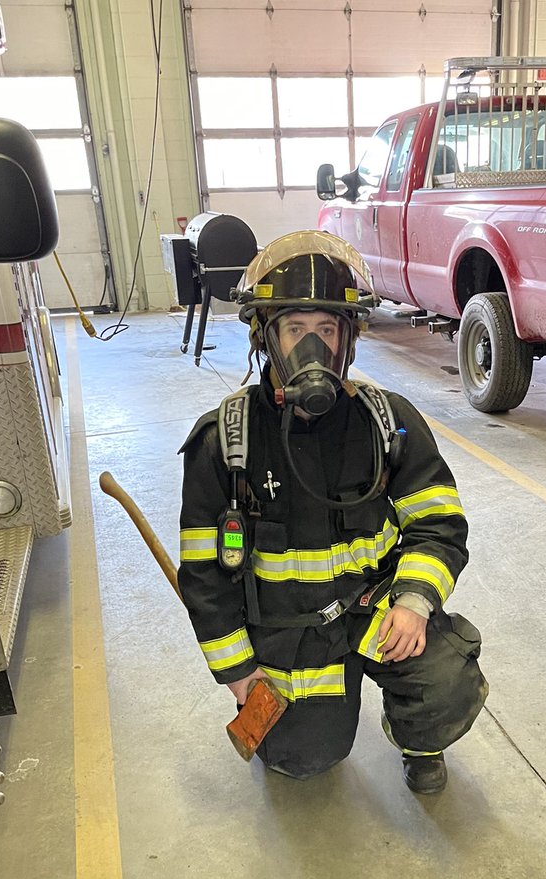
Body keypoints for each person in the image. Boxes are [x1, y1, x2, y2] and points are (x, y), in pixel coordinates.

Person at [178, 230, 488, 792]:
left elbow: (438, 524)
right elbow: (203, 575)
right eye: (296, 329)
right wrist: (240, 672)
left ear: (349, 337)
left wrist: (415, 602)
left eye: (327, 329)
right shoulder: (227, 441)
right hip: (286, 631)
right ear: (265, 336)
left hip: (374, 613)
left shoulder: (387, 423)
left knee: (446, 681)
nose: (312, 347)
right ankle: (306, 723)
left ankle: (418, 742)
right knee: (302, 761)